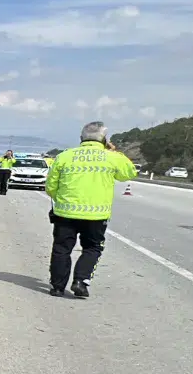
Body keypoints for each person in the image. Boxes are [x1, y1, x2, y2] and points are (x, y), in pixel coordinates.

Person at [45, 121, 138, 298]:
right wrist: (113, 151)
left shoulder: (65, 156)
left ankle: (57, 287)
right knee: (92, 248)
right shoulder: (111, 157)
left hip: (65, 213)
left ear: (81, 138)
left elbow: (50, 186)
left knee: (61, 248)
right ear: (104, 140)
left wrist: (62, 200)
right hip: (96, 215)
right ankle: (80, 281)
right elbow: (129, 173)